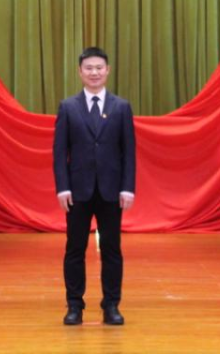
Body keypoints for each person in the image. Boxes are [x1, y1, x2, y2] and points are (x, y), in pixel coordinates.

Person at [53, 47, 136, 326]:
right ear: (80, 72)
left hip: (111, 191)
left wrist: (128, 187)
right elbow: (59, 152)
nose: (94, 72)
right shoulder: (68, 107)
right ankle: (74, 305)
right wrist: (62, 188)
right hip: (77, 191)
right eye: (88, 68)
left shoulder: (121, 107)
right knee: (75, 249)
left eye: (99, 67)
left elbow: (129, 151)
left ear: (107, 70)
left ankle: (111, 305)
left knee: (112, 249)